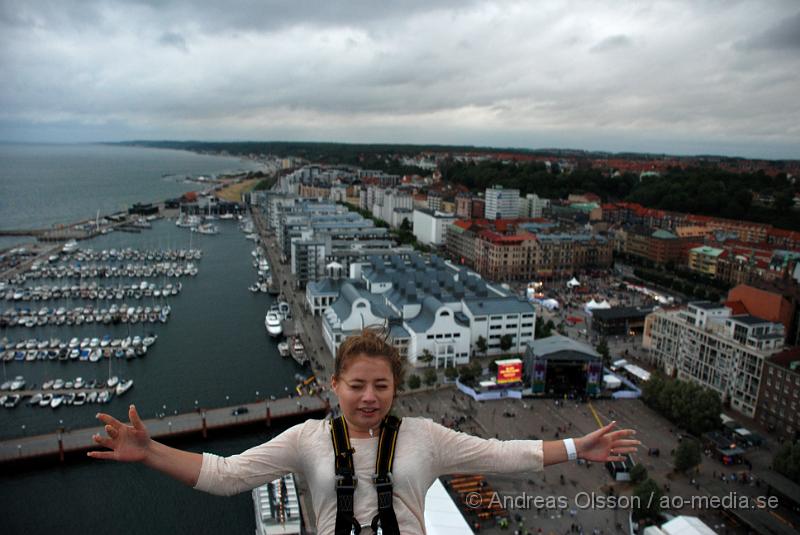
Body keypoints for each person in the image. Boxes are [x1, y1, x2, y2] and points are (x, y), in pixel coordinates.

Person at [90, 329, 640, 534]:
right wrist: (152, 452)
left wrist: (575, 446)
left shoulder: (427, 436)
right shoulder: (306, 440)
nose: (369, 396)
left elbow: (502, 454)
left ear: (394, 389)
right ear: (335, 386)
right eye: (357, 385)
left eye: (380, 385)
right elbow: (228, 475)